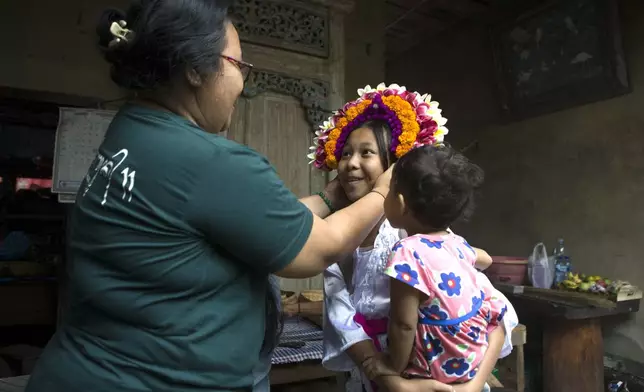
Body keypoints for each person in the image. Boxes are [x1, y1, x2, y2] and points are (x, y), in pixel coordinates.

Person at [25, 2, 394, 392]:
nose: (243, 82)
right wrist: (388, 188)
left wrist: (331, 196)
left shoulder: (131, 132)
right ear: (194, 68)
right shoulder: (208, 160)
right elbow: (320, 249)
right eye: (238, 65)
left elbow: (261, 225)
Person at [312, 83, 519, 392]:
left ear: (392, 170)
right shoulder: (333, 235)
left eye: (366, 153)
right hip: (377, 373)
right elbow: (342, 318)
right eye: (345, 154)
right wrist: (391, 381)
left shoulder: (419, 234)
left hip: (433, 374)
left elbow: (494, 311)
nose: (351, 163)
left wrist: (474, 384)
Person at [363, 145, 508, 387]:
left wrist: (391, 365)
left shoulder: (406, 252)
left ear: (400, 203)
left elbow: (404, 324)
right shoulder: (456, 243)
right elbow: (486, 259)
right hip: (471, 358)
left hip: (437, 368)